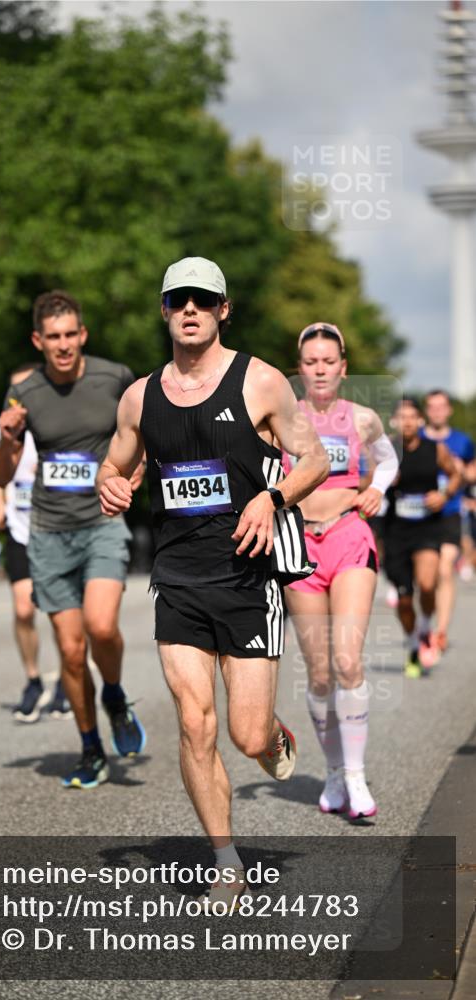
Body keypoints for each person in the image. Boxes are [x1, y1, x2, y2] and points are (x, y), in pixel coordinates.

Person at [97, 257, 329, 909]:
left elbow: (314, 458)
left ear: (223, 309)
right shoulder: (139, 396)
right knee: (194, 724)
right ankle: (224, 860)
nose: (190, 309)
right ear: (164, 309)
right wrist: (110, 484)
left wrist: (272, 499)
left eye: (203, 299)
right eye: (178, 300)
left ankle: (274, 736)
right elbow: (112, 466)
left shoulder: (259, 382)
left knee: (245, 736)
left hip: (245, 580)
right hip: (176, 582)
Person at [0, 290, 145, 789]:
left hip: (101, 522)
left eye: (69, 335)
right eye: (51, 337)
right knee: (72, 652)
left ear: (83, 335)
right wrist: (7, 435)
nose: (62, 345)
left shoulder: (114, 378)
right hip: (49, 532)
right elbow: (1, 474)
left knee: (102, 628)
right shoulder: (25, 395)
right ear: (39, 340)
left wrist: (134, 475)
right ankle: (90, 748)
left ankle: (115, 695)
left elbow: (142, 436)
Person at [282, 322, 400, 821]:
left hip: (350, 536)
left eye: (329, 361)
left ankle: (355, 775)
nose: (321, 369)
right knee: (320, 671)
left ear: (343, 367)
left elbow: (388, 462)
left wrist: (379, 489)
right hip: (301, 546)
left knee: (349, 661)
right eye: (311, 362)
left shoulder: (364, 419)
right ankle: (332, 771)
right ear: (300, 369)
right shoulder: (283, 420)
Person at [0, 364, 70, 723]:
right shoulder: (0, 427)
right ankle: (33, 681)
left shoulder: (59, 422)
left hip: (59, 528)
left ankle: (68, 683)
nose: (18, 399)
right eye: (13, 392)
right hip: (20, 528)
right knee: (23, 609)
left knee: (60, 614)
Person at [384, 397, 460, 678]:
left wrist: (444, 495)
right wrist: (383, 479)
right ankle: (414, 645)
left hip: (428, 528)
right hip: (396, 532)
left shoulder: (435, 449)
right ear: (394, 422)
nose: (406, 422)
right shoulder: (386, 450)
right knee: (404, 600)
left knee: (428, 585)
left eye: (411, 417)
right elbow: (365, 481)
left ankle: (426, 627)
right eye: (401, 417)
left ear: (420, 421)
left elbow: (455, 475)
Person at [421, 390, 474, 650]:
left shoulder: (462, 441)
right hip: (417, 516)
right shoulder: (416, 439)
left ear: (449, 410)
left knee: (444, 569)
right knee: (425, 578)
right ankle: (425, 622)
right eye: (432, 407)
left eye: (442, 407)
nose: (437, 411)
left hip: (450, 513)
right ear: (426, 411)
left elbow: (473, 471)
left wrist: (462, 471)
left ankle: (440, 631)